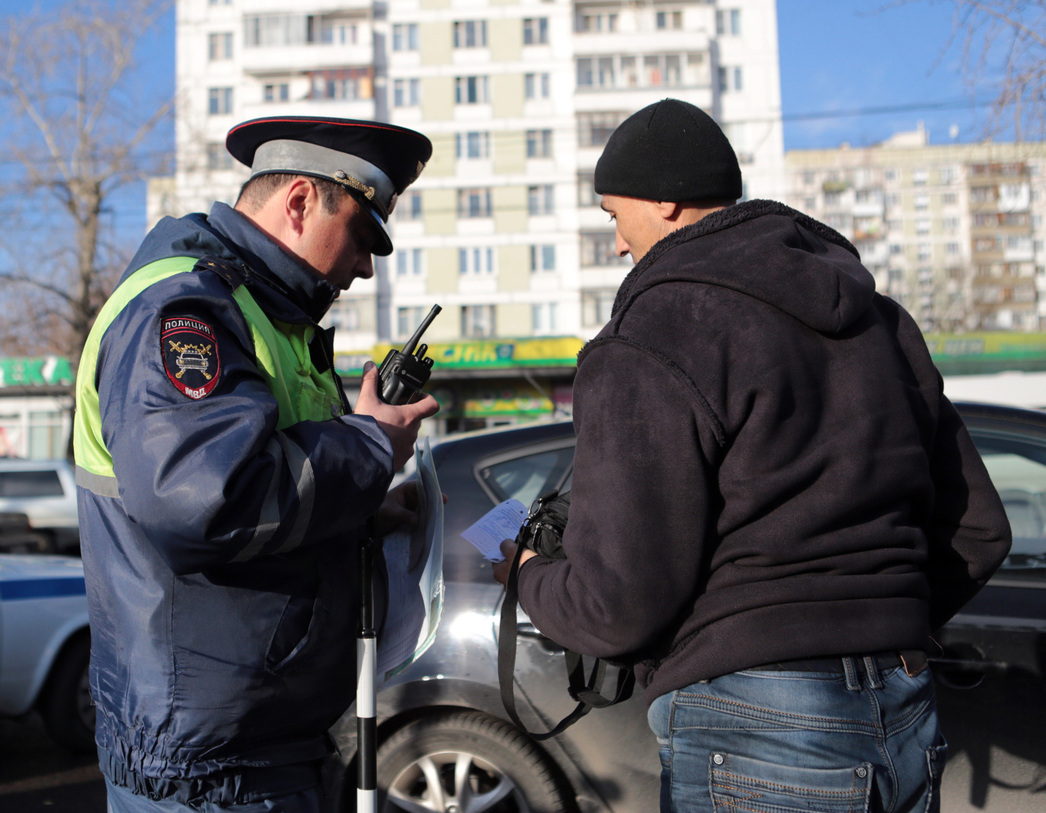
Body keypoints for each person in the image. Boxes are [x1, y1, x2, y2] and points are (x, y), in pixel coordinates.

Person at [493, 99, 1012, 813]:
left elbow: (617, 607)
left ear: (664, 199)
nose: (617, 243)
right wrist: (877, 619)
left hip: (754, 722)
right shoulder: (882, 322)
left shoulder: (650, 334)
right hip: (905, 707)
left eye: (614, 215)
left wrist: (524, 573)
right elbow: (980, 532)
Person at [74, 116, 439, 812]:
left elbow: (276, 490)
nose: (366, 266)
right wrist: (369, 446)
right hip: (209, 769)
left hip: (259, 742)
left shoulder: (267, 315)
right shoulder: (187, 306)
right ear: (300, 201)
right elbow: (208, 501)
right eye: (363, 237)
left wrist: (366, 509)